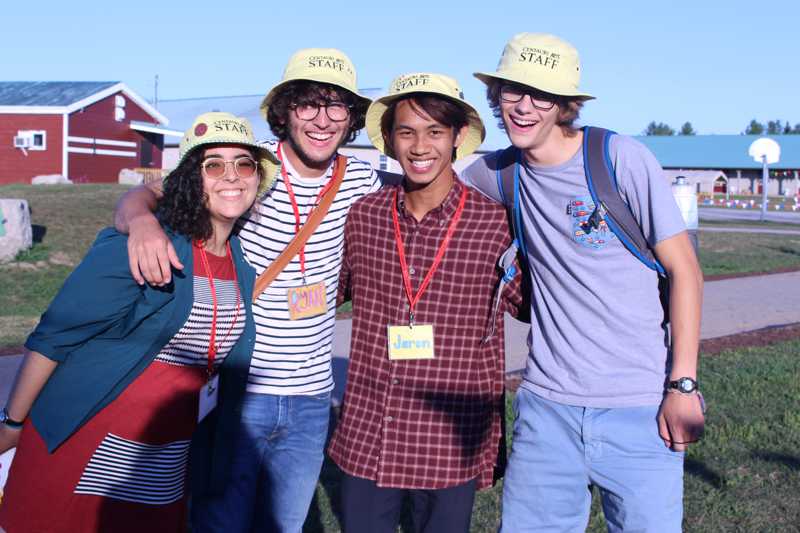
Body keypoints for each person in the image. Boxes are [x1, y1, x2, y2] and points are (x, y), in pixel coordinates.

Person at [114, 48, 379, 532]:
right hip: (240, 391)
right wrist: (138, 222)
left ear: (352, 116)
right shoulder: (249, 170)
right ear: (285, 111)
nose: (322, 120)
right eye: (307, 105)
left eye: (336, 105)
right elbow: (152, 192)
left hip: (311, 401)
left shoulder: (362, 179)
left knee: (284, 526)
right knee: (220, 524)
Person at [462, 33, 705, 532]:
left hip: (639, 409)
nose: (524, 108)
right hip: (545, 410)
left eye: (541, 96)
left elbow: (686, 271)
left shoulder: (618, 159)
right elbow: (429, 182)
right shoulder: (498, 173)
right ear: (496, 96)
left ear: (565, 105)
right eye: (512, 92)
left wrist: (682, 385)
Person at [0, 112, 278, 533]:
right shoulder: (145, 242)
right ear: (190, 179)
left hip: (162, 459)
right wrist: (12, 423)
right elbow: (53, 337)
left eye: (244, 164)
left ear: (257, 178)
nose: (231, 176)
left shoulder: (240, 265)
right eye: (214, 164)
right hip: (86, 447)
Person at [328, 72, 523, 533]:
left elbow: (542, 303)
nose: (420, 147)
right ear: (390, 140)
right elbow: (327, 290)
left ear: (457, 137)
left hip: (449, 441)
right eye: (407, 132)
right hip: (370, 431)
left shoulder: (494, 224)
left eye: (435, 131)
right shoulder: (365, 216)